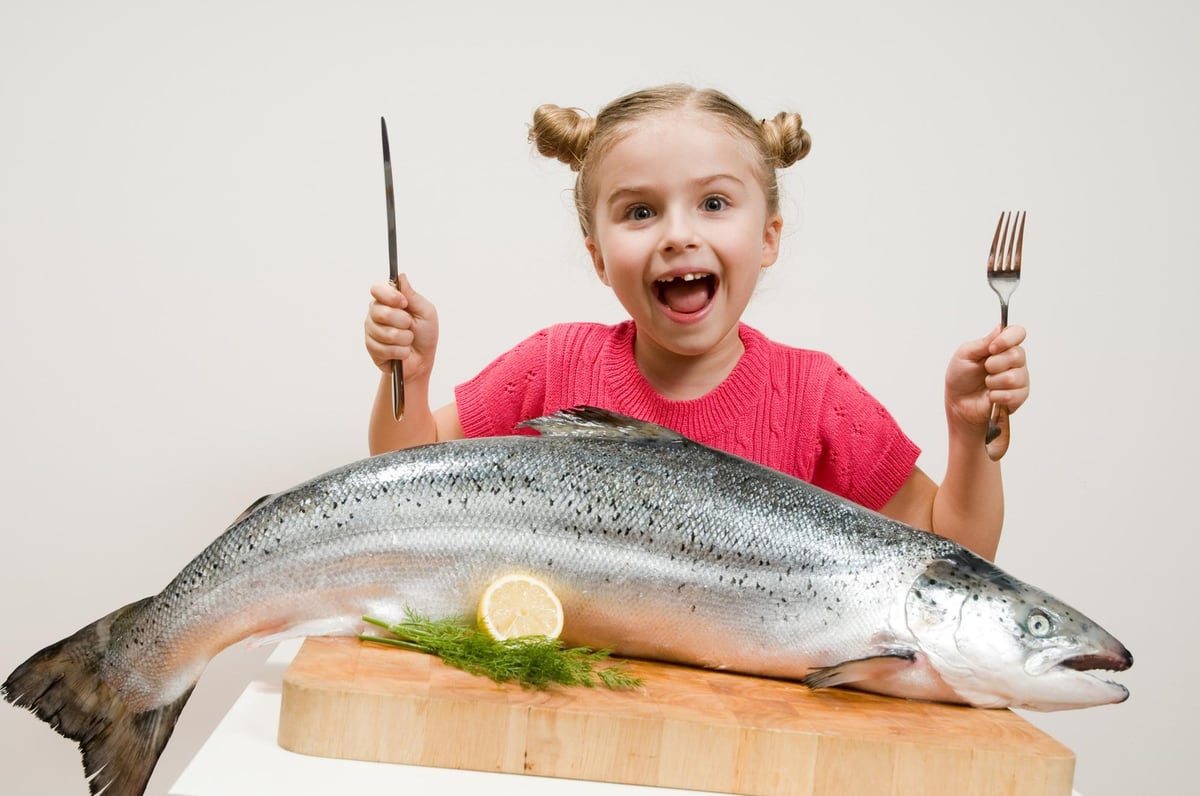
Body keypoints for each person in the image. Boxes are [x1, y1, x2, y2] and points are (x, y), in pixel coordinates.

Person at [363, 84, 1029, 561]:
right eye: (640, 212)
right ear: (597, 257)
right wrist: (408, 380)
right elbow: (406, 481)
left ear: (768, 238)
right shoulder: (553, 364)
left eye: (713, 202)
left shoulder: (816, 396)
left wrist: (970, 437)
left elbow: (954, 556)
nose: (679, 235)